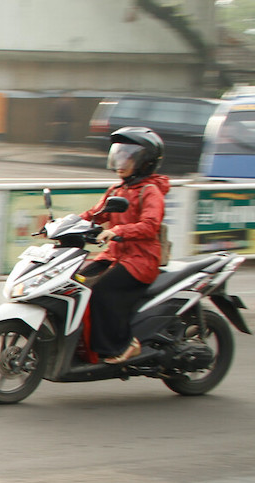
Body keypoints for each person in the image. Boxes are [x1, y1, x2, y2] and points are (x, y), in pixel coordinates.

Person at [77, 126, 169, 364]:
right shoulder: (117, 190)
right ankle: (82, 343)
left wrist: (117, 231)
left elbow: (150, 225)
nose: (121, 162)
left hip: (140, 261)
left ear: (144, 162)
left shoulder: (150, 192)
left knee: (102, 292)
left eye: (128, 157)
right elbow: (96, 214)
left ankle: (125, 343)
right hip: (114, 257)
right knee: (76, 284)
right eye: (118, 155)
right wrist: (65, 225)